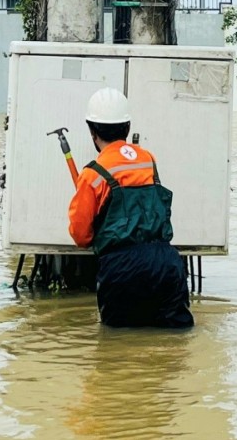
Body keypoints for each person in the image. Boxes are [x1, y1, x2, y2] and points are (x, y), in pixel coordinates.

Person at [68, 87, 194, 329]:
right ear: (126, 127)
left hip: (121, 267)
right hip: (166, 262)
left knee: (118, 349)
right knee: (175, 343)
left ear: (92, 131)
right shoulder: (148, 160)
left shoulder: (93, 174)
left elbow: (80, 235)